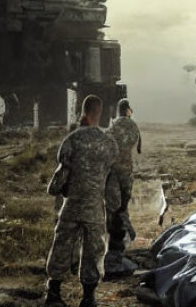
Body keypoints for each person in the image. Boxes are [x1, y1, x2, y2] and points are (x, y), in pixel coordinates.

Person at [45, 95, 118, 307]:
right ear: (99, 112)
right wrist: (113, 206)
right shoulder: (108, 144)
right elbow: (110, 180)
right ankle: (88, 297)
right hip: (94, 208)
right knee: (93, 252)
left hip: (72, 205)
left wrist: (55, 189)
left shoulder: (72, 140)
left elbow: (59, 178)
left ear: (82, 110)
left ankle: (54, 293)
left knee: (61, 247)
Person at [105, 98, 141, 259]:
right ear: (127, 109)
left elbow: (106, 143)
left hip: (113, 171)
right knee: (123, 204)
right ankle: (125, 237)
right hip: (126, 170)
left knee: (113, 206)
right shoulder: (133, 125)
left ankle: (116, 240)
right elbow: (137, 146)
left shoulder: (112, 125)